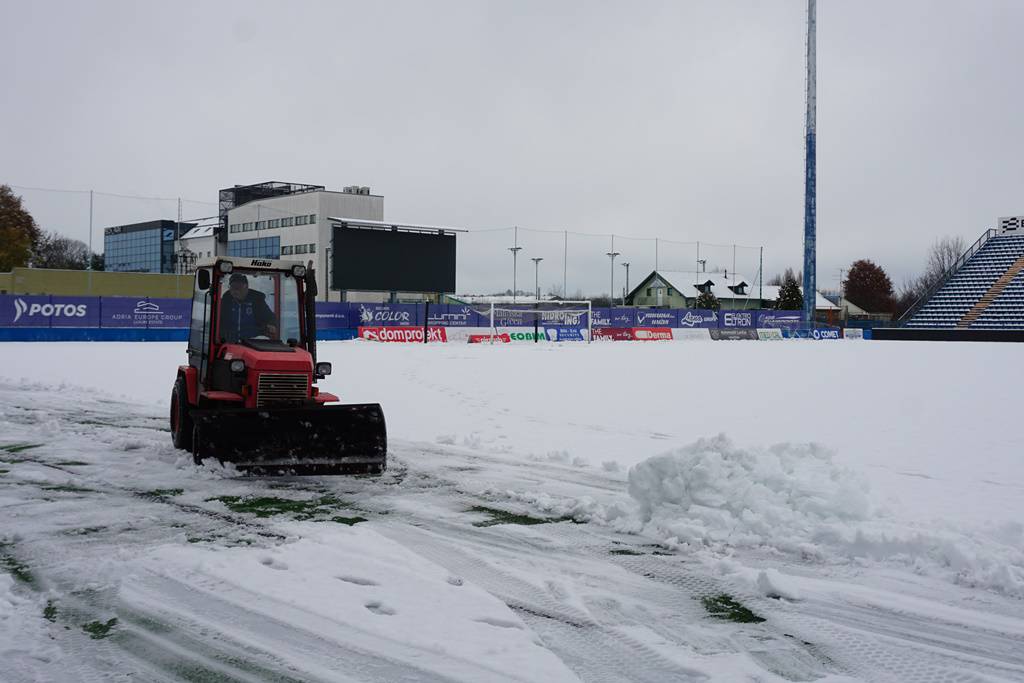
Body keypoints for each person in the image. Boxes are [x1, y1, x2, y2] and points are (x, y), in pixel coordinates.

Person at [218, 272, 278, 342]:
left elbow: (270, 317)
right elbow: (217, 320)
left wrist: (272, 325)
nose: (235, 290)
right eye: (232, 286)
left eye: (238, 287)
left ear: (246, 287)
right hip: (229, 343)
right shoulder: (225, 302)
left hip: (253, 343)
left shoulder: (257, 302)